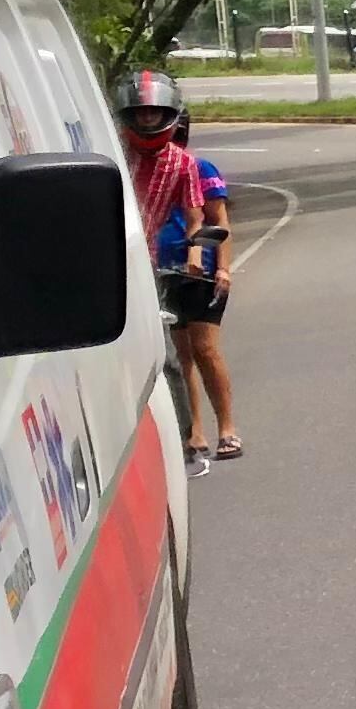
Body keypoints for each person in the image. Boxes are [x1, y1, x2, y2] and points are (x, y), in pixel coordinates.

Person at [118, 71, 241, 460]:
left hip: (192, 272)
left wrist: (213, 265)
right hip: (146, 270)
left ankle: (228, 428)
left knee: (204, 349)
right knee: (176, 355)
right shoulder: (119, 160)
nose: (149, 122)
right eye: (142, 114)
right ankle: (193, 431)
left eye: (157, 115)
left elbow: (209, 222)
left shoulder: (192, 167)